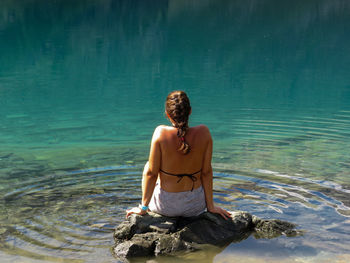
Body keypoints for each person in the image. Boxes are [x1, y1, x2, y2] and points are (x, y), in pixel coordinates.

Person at [126, 91, 231, 219]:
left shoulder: (160, 132)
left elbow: (151, 174)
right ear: (190, 111)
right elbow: (206, 173)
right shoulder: (204, 132)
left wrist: (143, 208)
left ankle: (143, 206)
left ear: (167, 114)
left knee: (149, 166)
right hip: (195, 206)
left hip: (166, 207)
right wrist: (211, 207)